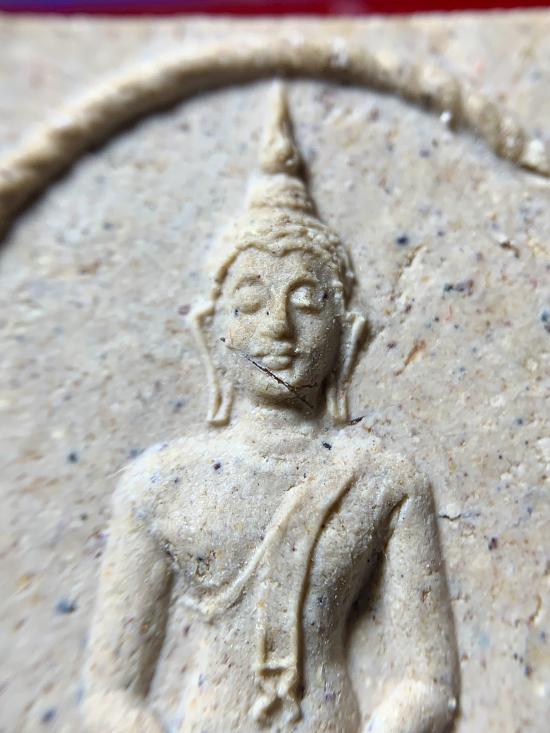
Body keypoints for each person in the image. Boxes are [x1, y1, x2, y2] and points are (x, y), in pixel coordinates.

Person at [83, 85, 458, 733]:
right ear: (211, 332)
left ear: (348, 332)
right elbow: (110, 690)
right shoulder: (159, 485)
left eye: (307, 301)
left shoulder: (385, 481)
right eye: (252, 302)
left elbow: (426, 680)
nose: (279, 327)